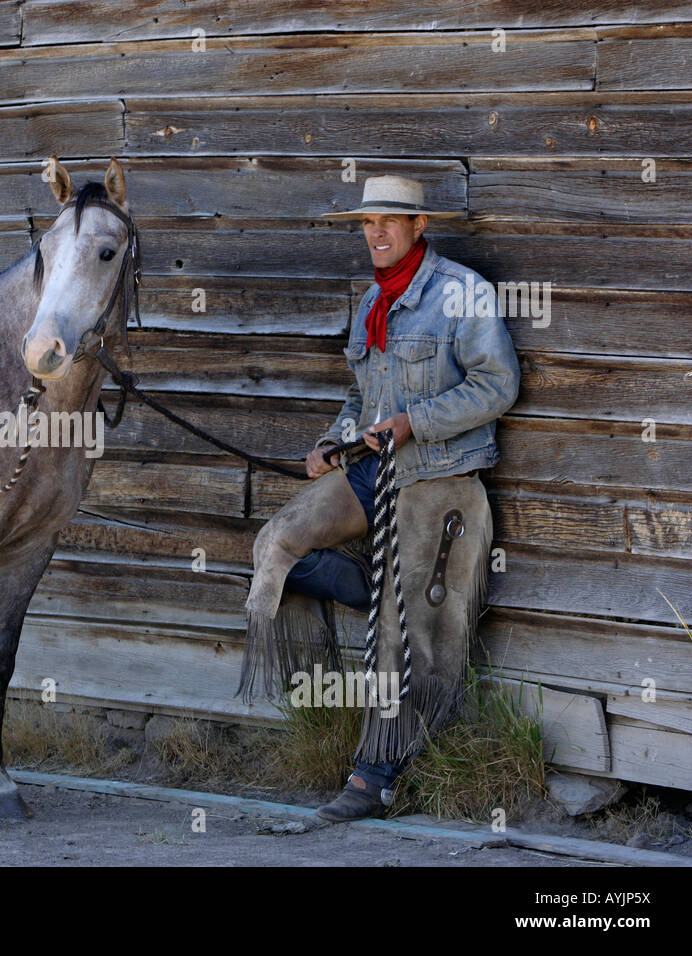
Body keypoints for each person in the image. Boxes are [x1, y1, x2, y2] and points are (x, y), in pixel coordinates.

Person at [240, 175, 521, 822]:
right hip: (371, 470)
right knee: (277, 543)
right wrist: (330, 444)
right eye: (368, 223)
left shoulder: (460, 293)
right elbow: (358, 401)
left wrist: (413, 422)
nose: (376, 233)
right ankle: (377, 587)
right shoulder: (373, 298)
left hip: (439, 474)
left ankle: (374, 780)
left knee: (409, 630)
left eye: (390, 222)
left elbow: (498, 384)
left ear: (420, 225)